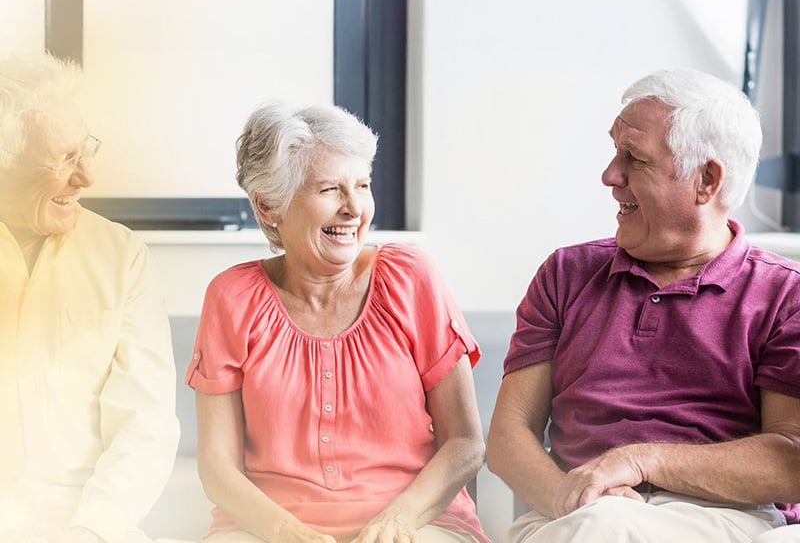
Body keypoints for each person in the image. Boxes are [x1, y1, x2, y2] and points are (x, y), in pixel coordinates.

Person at [486, 68, 800, 542]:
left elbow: (791, 459)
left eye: (634, 158)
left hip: (727, 520)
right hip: (574, 515)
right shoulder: (565, 274)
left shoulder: (785, 295)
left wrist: (640, 459)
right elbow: (509, 438)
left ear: (706, 180)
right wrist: (572, 498)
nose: (610, 176)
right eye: (615, 152)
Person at [185, 102, 489, 543]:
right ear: (270, 206)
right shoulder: (232, 297)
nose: (353, 209)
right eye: (330, 189)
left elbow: (465, 442)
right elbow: (217, 466)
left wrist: (397, 521)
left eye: (362, 185)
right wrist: (286, 532)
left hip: (416, 524)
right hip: (266, 531)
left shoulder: (410, 277)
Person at [0, 53, 180, 543]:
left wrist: (92, 529)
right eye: (63, 161)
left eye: (85, 151)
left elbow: (147, 422)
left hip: (93, 526)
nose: (86, 178)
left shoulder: (122, 256)